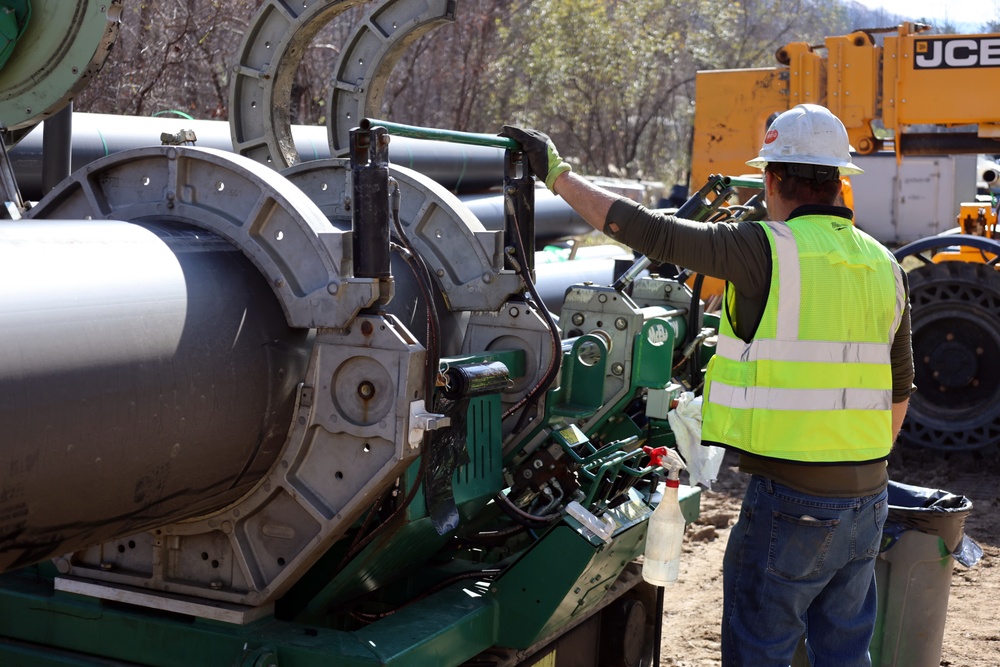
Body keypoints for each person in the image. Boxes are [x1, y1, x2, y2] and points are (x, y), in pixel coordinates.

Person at [501, 104, 914, 667]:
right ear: (839, 182)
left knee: (759, 651)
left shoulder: (762, 247)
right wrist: (861, 466)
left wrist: (556, 173)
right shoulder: (885, 264)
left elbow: (648, 231)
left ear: (771, 178)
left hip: (791, 501)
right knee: (844, 652)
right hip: (870, 497)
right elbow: (900, 386)